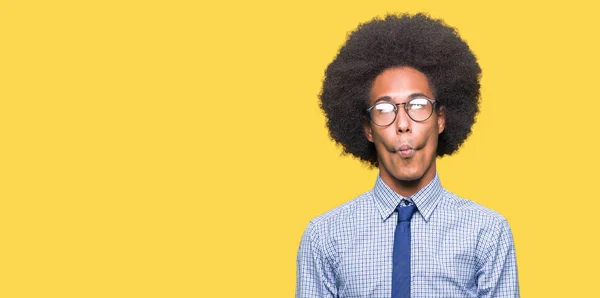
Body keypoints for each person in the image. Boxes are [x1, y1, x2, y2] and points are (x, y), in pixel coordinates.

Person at [296, 13, 519, 298]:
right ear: (367, 129)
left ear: (440, 119)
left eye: (417, 105)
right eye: (385, 110)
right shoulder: (325, 237)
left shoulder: (487, 233)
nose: (402, 124)